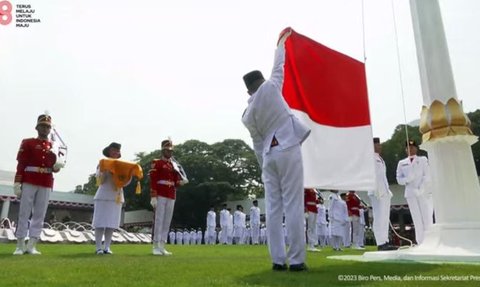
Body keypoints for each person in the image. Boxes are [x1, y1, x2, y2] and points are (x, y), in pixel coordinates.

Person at [241, 28, 310, 271]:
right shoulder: (270, 88)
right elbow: (279, 67)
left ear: (248, 91)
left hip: (268, 157)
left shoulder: (247, 115)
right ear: (261, 83)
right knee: (292, 204)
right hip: (287, 146)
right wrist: (280, 43)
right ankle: (298, 260)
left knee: (273, 209)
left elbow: (257, 144)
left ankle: (277, 260)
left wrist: (264, 166)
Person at [13, 114, 64, 255]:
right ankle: (20, 245)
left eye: (48, 126)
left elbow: (55, 167)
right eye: (43, 126)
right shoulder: (28, 142)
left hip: (46, 180)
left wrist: (57, 166)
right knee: (24, 212)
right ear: (37, 127)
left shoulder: (54, 146)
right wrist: (17, 181)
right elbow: (21, 163)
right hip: (30, 179)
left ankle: (32, 245)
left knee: (40, 214)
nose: (45, 128)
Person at [93, 142, 136, 255]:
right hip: (103, 195)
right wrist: (106, 171)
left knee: (111, 224)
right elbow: (99, 180)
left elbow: (125, 182)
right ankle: (98, 247)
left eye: (117, 151)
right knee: (100, 223)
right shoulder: (102, 163)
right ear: (109, 152)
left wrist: (129, 174)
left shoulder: (123, 165)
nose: (115, 152)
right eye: (113, 150)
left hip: (116, 196)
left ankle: (107, 246)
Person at [150, 139, 188, 255]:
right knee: (159, 219)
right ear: (163, 150)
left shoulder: (173, 165)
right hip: (160, 193)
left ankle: (162, 245)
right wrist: (153, 196)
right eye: (167, 150)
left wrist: (181, 182)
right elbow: (153, 180)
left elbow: (175, 180)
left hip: (171, 193)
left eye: (171, 151)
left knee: (167, 220)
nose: (170, 153)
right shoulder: (157, 163)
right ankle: (155, 245)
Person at [396, 139, 433, 245]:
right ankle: (420, 241)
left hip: (422, 192)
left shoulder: (422, 159)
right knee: (416, 217)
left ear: (416, 148)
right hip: (410, 193)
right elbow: (399, 179)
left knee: (426, 216)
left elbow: (427, 176)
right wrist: (407, 179)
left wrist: (421, 189)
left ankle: (430, 240)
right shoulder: (402, 163)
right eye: (408, 148)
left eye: (412, 147)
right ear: (405, 150)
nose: (410, 149)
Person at [369, 137, 396, 251]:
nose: (380, 146)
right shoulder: (370, 158)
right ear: (373, 146)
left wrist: (387, 191)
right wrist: (377, 190)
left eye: (380, 144)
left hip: (384, 191)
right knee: (379, 217)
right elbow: (372, 176)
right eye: (377, 145)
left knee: (384, 217)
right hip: (377, 191)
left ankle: (385, 241)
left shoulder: (379, 158)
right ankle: (380, 242)